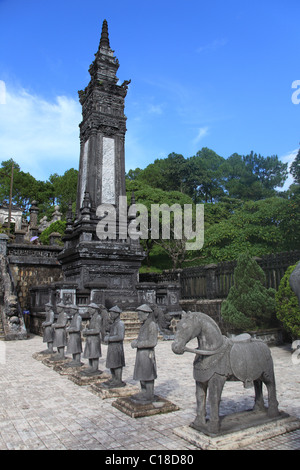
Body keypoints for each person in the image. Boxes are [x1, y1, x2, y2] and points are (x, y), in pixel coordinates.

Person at [131, 304, 158, 404]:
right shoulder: (143, 325)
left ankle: (149, 394)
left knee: (148, 374)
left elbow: (152, 342)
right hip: (141, 354)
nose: (138, 316)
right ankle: (143, 392)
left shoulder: (152, 325)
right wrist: (136, 341)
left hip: (147, 354)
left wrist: (138, 344)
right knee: (141, 373)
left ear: (146, 314)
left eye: (140, 314)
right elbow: (141, 338)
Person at [102, 305, 125, 388]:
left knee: (117, 364)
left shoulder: (120, 324)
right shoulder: (114, 323)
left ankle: (118, 379)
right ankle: (114, 377)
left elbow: (120, 337)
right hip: (112, 346)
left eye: (112, 313)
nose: (110, 315)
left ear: (117, 314)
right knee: (112, 362)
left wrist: (109, 338)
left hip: (117, 347)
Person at [81, 303, 102, 376]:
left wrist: (88, 331)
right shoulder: (92, 317)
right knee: (90, 353)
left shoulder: (98, 317)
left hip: (95, 339)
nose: (89, 310)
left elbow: (97, 330)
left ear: (95, 309)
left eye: (90, 309)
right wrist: (86, 330)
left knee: (94, 353)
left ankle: (95, 368)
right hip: (90, 338)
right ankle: (91, 366)